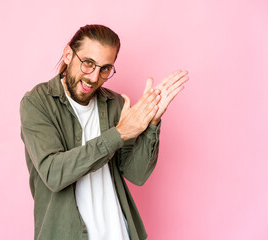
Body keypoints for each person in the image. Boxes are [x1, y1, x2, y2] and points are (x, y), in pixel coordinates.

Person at [20, 24, 189, 240]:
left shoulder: (116, 104)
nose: (94, 77)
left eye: (105, 68)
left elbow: (135, 175)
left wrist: (152, 122)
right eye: (88, 63)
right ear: (68, 54)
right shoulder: (37, 103)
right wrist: (118, 134)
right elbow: (54, 174)